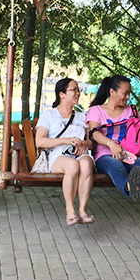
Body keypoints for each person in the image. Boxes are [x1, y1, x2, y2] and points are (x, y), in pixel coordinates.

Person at [35, 78, 95, 226]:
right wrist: (66, 140)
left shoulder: (82, 116)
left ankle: (82, 211)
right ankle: (70, 210)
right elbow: (40, 142)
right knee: (72, 165)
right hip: (58, 156)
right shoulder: (49, 115)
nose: (77, 93)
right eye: (73, 90)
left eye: (78, 90)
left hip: (80, 154)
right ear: (61, 94)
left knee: (86, 164)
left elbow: (92, 143)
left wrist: (83, 143)